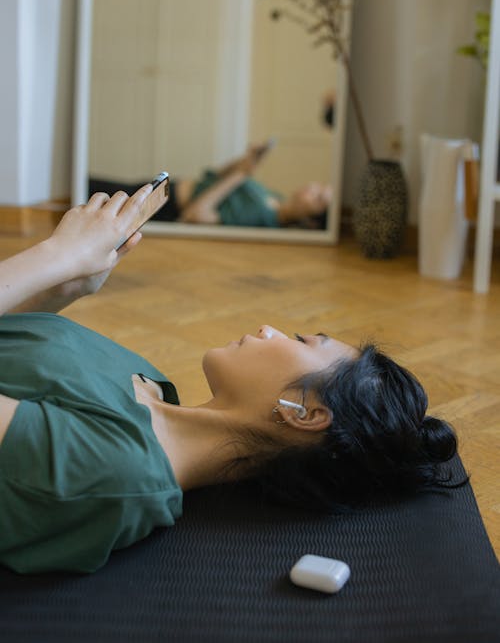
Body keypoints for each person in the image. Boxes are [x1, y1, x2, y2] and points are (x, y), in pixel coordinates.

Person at [0, 186, 464, 574]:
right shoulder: (154, 386)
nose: (270, 330)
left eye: (303, 341)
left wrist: (55, 257)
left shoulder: (117, 469)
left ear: (305, 412)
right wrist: (59, 291)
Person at [88, 141, 333, 229]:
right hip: (168, 187)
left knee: (92, 194)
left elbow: (196, 214)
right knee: (93, 189)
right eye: (319, 187)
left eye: (318, 198)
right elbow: (217, 178)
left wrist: (241, 176)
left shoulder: (263, 218)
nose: (312, 188)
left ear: (310, 221)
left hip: (167, 204)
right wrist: (246, 163)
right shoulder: (274, 197)